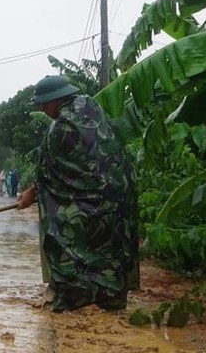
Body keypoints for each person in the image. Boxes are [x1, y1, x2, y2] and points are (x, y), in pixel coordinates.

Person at [18, 75, 139, 312]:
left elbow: (47, 174)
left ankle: (67, 297)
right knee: (112, 245)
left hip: (87, 200)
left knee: (60, 237)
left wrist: (30, 194)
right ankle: (112, 297)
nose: (42, 109)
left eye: (44, 103)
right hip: (120, 195)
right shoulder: (93, 109)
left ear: (56, 99)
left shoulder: (61, 127)